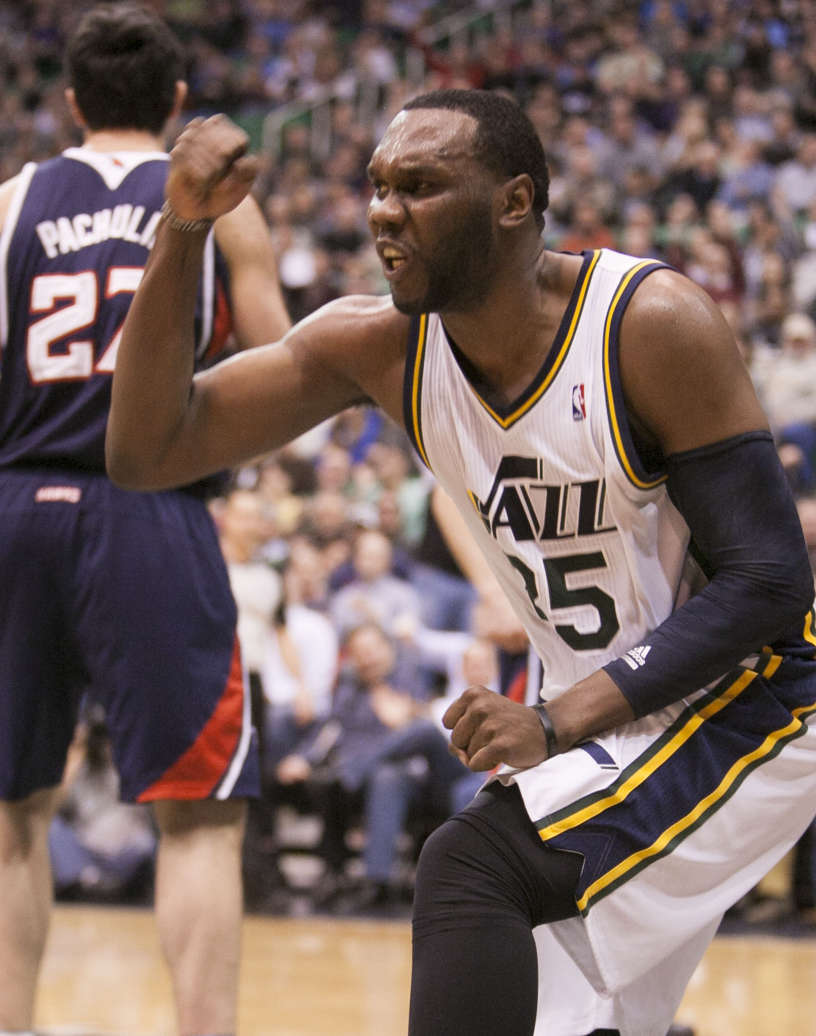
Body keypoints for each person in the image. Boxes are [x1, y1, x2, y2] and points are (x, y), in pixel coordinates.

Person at [107, 88, 816, 1036]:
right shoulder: (380, 349)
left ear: (515, 201)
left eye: (421, 186)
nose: (382, 212)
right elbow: (149, 449)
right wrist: (184, 230)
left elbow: (771, 582)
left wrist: (559, 719)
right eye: (377, 187)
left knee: (475, 866)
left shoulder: (648, 324)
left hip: (752, 699)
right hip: (613, 720)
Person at [0, 5, 289, 1034]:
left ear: (71, 101)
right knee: (201, 816)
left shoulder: (14, 199)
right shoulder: (216, 204)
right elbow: (277, 367)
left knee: (10, 813)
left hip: (20, 502)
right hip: (153, 505)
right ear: (175, 100)